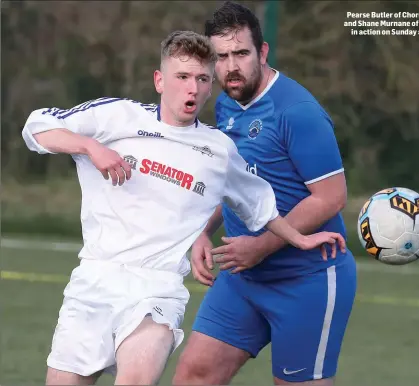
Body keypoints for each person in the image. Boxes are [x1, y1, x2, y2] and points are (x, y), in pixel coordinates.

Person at [22, 30, 346, 386]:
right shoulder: (117, 117)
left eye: (202, 79)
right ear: (159, 80)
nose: (192, 88)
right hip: (94, 283)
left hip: (157, 290)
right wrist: (89, 147)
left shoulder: (218, 150)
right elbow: (37, 126)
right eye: (182, 77)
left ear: (210, 87)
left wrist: (299, 239)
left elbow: (261, 207)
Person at [173, 2, 357, 386]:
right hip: (244, 279)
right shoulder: (225, 103)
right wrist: (203, 231)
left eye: (241, 53)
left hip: (308, 280)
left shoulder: (298, 112)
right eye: (221, 57)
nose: (231, 66)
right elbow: (236, 181)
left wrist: (259, 246)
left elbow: (330, 197)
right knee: (193, 375)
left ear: (263, 52)